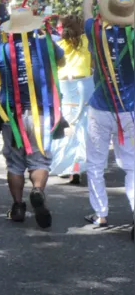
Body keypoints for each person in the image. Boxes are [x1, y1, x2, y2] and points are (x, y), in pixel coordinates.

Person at [0, 8, 65, 228]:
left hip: (11, 115)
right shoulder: (47, 45)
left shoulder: (0, 50)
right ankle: (37, 191)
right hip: (40, 114)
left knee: (15, 163)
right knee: (39, 160)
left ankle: (17, 207)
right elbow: (60, 63)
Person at [82, 0, 134, 230]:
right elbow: (130, 5)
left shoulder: (94, 31)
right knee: (134, 166)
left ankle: (101, 214)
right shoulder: (132, 34)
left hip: (100, 110)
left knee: (95, 164)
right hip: (130, 110)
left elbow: (87, 13)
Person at [50, 14, 93, 185]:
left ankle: (66, 166)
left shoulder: (57, 44)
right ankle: (78, 166)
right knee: (83, 127)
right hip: (85, 84)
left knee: (66, 125)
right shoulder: (88, 41)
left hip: (64, 87)